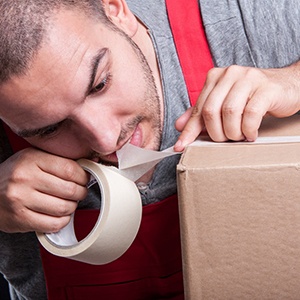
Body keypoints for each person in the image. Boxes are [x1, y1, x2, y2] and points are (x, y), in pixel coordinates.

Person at [0, 0, 300, 299]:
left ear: (116, 11)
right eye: (50, 129)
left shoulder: (244, 17)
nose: (106, 141)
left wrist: (293, 81)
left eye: (99, 84)